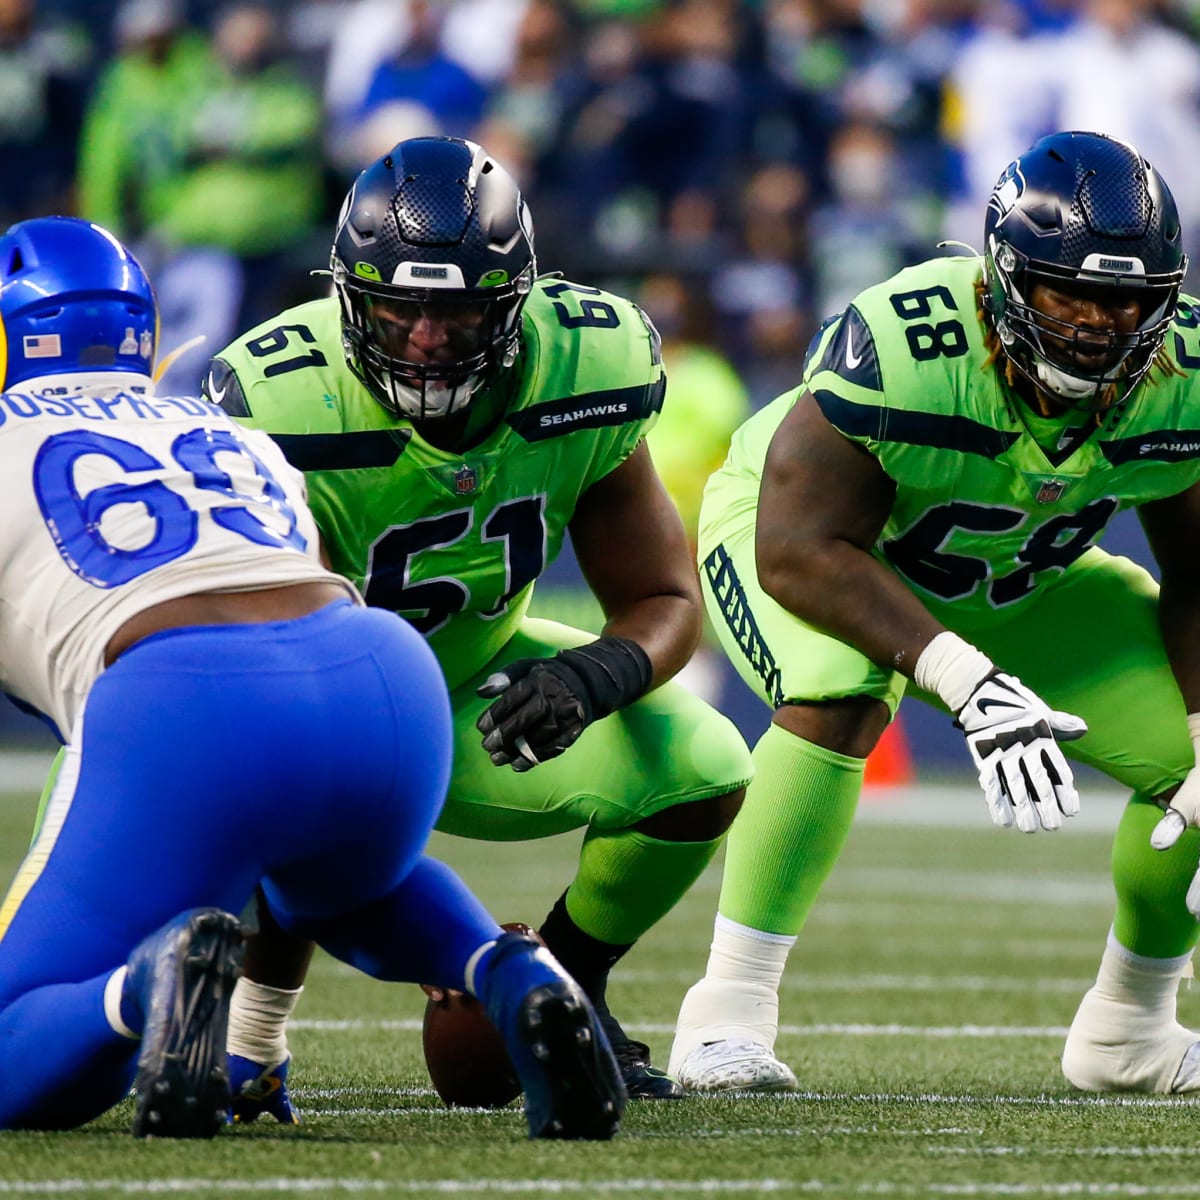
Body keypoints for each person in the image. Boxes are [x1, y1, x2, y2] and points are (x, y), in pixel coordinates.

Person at [0, 215, 626, 1140]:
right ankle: (504, 969)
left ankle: (150, 985)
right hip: (378, 674)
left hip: (185, 704)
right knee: (341, 885)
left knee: (20, 1036)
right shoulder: (217, 427)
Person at [201, 134, 753, 1115]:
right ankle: (250, 1029)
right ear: (346, 295)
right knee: (270, 770)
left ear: (517, 298)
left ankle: (571, 986)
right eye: (397, 308)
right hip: (317, 703)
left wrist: (594, 679)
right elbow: (277, 661)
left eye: (455, 310)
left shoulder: (585, 367)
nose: (423, 336)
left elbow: (667, 600)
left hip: (474, 683)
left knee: (708, 768)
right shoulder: (281, 399)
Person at [667, 129, 1200, 1097]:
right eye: (1067, 293)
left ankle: (1132, 1028)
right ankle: (725, 1016)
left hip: (1015, 580)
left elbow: (1199, 572)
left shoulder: (1180, 381)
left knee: (1198, 773)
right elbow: (800, 547)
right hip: (807, 545)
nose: (1096, 326)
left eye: (1125, 301)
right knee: (839, 686)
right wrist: (960, 677)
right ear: (1003, 278)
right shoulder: (911, 344)